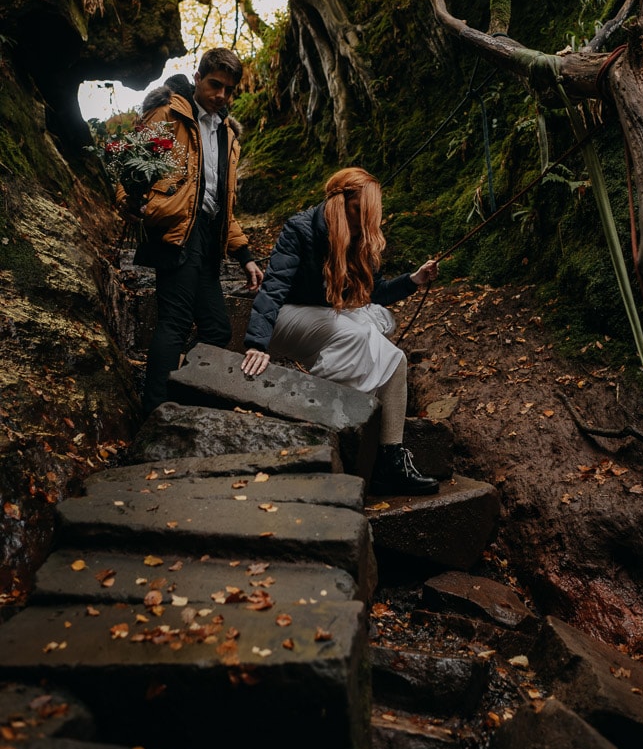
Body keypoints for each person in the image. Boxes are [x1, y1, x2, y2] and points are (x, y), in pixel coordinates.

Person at [241, 167, 439, 496]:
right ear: (340, 201)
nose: (363, 220)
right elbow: (273, 289)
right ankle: (321, 426)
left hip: (327, 317)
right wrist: (256, 343)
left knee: (395, 359)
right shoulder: (300, 228)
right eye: (359, 210)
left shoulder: (360, 238)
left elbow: (374, 293)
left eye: (369, 213)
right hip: (286, 319)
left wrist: (413, 280)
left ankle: (390, 462)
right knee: (357, 334)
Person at [118, 47, 263, 417]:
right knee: (175, 321)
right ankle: (155, 412)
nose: (221, 95)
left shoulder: (228, 134)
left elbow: (223, 204)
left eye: (229, 90)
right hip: (176, 230)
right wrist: (133, 202)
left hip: (209, 239)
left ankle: (181, 398)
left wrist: (245, 256)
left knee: (216, 328)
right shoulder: (169, 113)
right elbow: (131, 162)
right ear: (197, 78)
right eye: (214, 84)